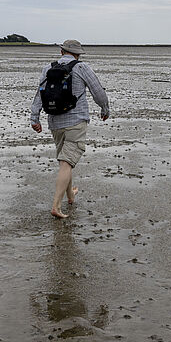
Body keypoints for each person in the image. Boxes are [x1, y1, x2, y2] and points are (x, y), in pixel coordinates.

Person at [30, 40, 111, 219]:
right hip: (76, 121)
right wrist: (105, 109)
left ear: (61, 51)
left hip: (55, 122)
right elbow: (98, 92)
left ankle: (70, 196)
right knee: (67, 163)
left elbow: (40, 93)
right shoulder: (82, 68)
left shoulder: (47, 68)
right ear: (78, 54)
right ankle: (56, 206)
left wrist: (34, 118)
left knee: (65, 162)